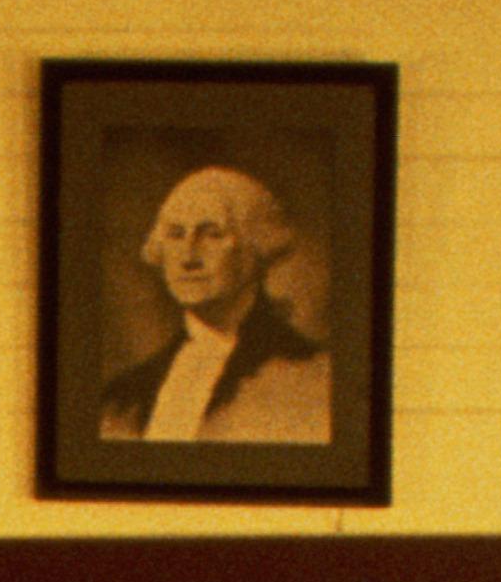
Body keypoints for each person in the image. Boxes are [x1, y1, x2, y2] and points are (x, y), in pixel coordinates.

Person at [95, 163, 330, 447]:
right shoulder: (122, 398)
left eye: (212, 234)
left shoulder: (314, 378)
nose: (189, 257)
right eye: (176, 234)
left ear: (256, 248)